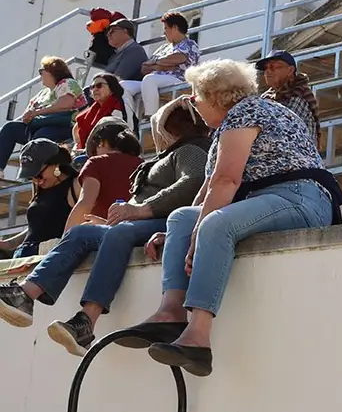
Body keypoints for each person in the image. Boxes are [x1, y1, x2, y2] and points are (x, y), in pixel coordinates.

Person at [126, 59, 340, 377]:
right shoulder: (230, 124)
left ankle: (198, 338)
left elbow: (227, 182)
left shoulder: (246, 112)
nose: (194, 102)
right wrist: (183, 232)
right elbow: (210, 189)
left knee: (213, 223)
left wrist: (200, 232)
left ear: (214, 96)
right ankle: (171, 312)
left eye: (196, 95)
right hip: (269, 198)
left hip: (300, 198)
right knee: (182, 218)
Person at [0, 101, 210, 356]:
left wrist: (138, 211)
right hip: (143, 221)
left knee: (118, 232)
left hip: (163, 221)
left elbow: (194, 181)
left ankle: (87, 321)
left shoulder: (191, 149)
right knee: (81, 232)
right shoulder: (175, 153)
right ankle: (27, 294)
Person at [0, 57, 86, 174]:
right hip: (38, 127)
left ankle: (33, 172)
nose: (40, 75)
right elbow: (28, 112)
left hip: (64, 126)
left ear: (52, 71)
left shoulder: (67, 83)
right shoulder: (43, 93)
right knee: (10, 128)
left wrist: (37, 113)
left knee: (41, 135)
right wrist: (27, 117)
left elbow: (65, 104)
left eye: (41, 71)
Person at [0, 140, 79, 260]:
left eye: (38, 175)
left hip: (48, 256)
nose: (36, 180)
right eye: (31, 177)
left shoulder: (76, 185)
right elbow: (36, 226)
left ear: (55, 164)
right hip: (23, 256)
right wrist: (8, 243)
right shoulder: (40, 187)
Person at [64, 121, 144, 231]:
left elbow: (85, 203)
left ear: (101, 142)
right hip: (138, 231)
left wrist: (65, 240)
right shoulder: (142, 163)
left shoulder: (96, 163)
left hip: (104, 234)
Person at [125, 11, 201, 118]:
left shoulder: (189, 44)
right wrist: (162, 65)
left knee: (149, 79)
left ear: (174, 27)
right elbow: (144, 68)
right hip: (155, 81)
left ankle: (152, 117)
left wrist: (157, 63)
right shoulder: (164, 48)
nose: (164, 32)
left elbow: (178, 58)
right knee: (122, 86)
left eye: (165, 28)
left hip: (178, 80)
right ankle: (128, 122)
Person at [257, 50, 320, 139]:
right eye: (265, 68)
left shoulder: (299, 93)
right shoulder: (265, 98)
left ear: (290, 70)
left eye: (273, 67)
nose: (268, 71)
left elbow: (285, 128)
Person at [72, 73, 128, 154]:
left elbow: (124, 132)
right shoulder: (90, 112)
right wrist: (77, 147)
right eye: (92, 87)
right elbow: (76, 130)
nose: (95, 89)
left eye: (99, 85)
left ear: (112, 88)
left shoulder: (119, 106)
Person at [101, 18, 148, 84]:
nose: (108, 34)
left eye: (112, 31)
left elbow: (119, 77)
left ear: (125, 31)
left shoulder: (135, 50)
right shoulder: (116, 54)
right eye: (107, 32)